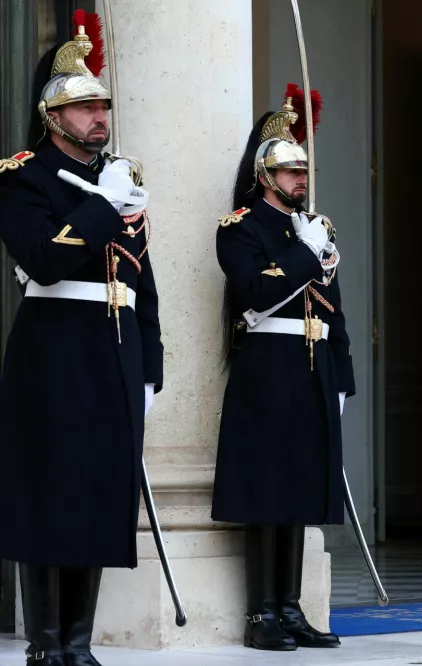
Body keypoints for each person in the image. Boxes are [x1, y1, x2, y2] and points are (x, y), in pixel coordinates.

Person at [0, 11, 162, 666]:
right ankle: (45, 645)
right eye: (84, 106)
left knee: (99, 493)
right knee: (49, 493)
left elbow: (141, 281)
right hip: (53, 347)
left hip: (114, 347)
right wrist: (100, 206)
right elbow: (44, 258)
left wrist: (151, 366)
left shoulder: (120, 175)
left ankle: (77, 642)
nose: (100, 116)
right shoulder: (21, 175)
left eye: (103, 105)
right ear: (53, 115)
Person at [211, 85, 354, 651]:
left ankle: (290, 608)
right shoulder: (240, 228)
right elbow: (254, 294)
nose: (302, 179)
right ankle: (261, 615)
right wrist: (303, 252)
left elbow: (335, 308)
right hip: (268, 364)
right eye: (292, 170)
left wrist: (341, 375)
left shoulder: (315, 226)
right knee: (268, 492)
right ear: (266, 175)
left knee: (299, 491)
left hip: (314, 364)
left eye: (304, 169)